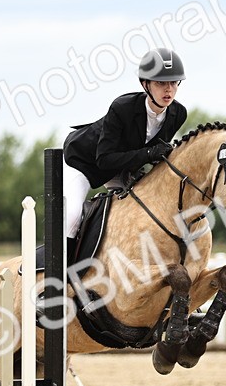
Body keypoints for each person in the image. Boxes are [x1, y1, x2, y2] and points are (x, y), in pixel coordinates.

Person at [62, 48, 188, 243]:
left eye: (173, 82)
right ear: (144, 84)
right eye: (160, 83)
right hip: (83, 162)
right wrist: (148, 154)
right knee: (71, 217)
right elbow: (104, 160)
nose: (168, 89)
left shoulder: (178, 114)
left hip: (121, 169)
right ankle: (60, 271)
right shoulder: (123, 108)